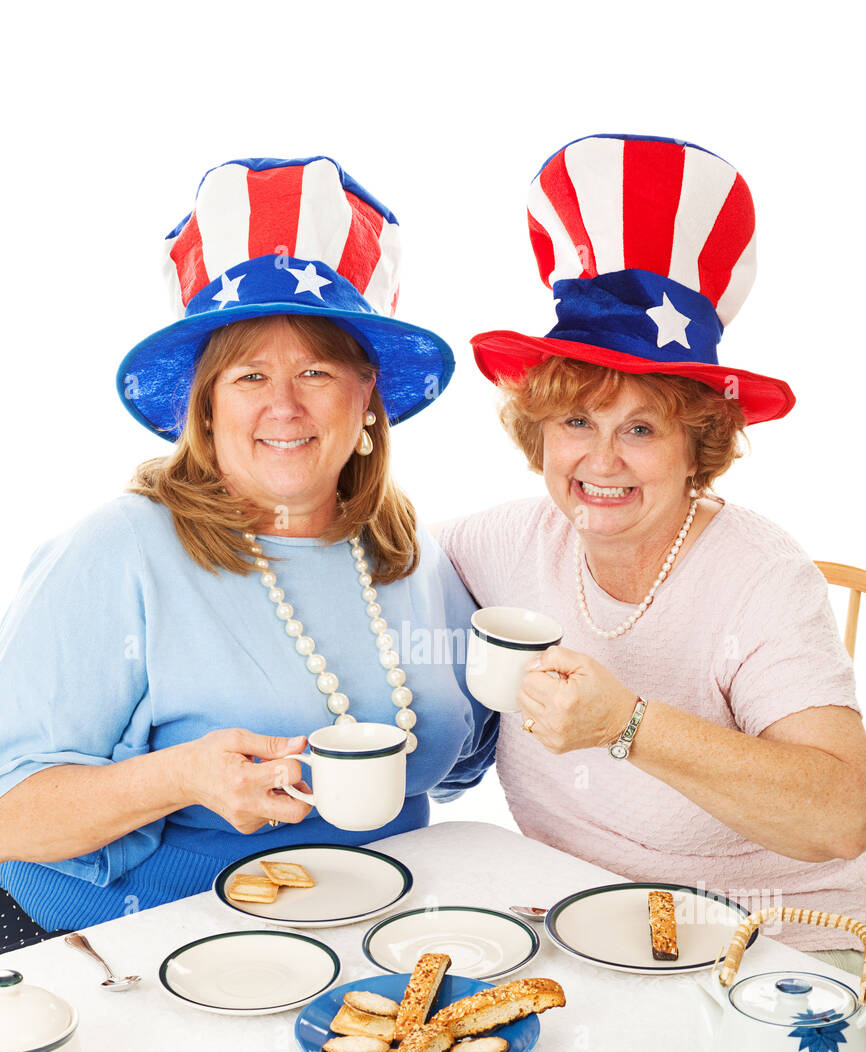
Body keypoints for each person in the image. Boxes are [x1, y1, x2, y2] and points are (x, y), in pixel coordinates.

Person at [0, 156, 496, 946]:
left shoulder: (409, 553)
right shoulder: (116, 550)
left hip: (361, 941)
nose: (283, 405)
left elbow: (470, 749)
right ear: (203, 400)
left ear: (365, 392)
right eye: (248, 375)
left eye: (314, 370)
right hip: (129, 951)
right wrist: (178, 777)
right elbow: (8, 818)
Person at [439, 133, 866, 957]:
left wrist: (629, 724)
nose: (600, 460)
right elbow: (369, 561)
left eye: (640, 427)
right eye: (575, 422)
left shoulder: (759, 576)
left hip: (782, 940)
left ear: (696, 445)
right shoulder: (501, 542)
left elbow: (842, 815)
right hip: (581, 929)